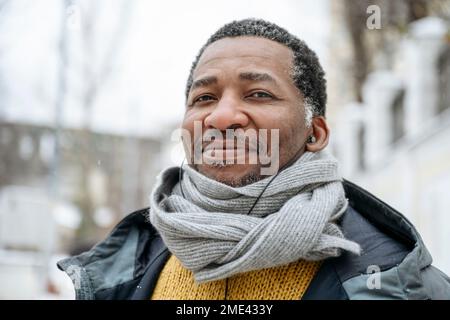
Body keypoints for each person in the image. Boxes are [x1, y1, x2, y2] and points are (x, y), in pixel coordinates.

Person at [58, 18, 450, 300]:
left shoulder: (399, 283)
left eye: (259, 94)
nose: (222, 116)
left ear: (315, 133)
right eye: (204, 98)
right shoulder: (118, 276)